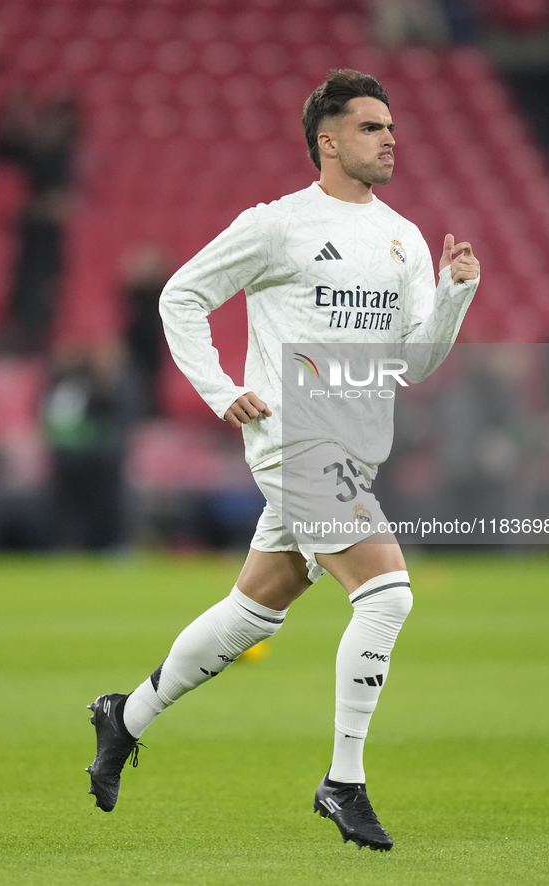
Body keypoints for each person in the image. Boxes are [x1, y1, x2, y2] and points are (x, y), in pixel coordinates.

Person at [86, 69, 480, 851]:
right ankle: (343, 781)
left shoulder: (401, 237)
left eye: (391, 125)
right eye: (370, 127)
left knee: (248, 615)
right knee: (388, 595)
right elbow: (181, 296)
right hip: (292, 440)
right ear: (326, 141)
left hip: (353, 447)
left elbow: (415, 361)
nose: (389, 137)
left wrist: (453, 293)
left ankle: (121, 716)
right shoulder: (277, 225)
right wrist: (219, 388)